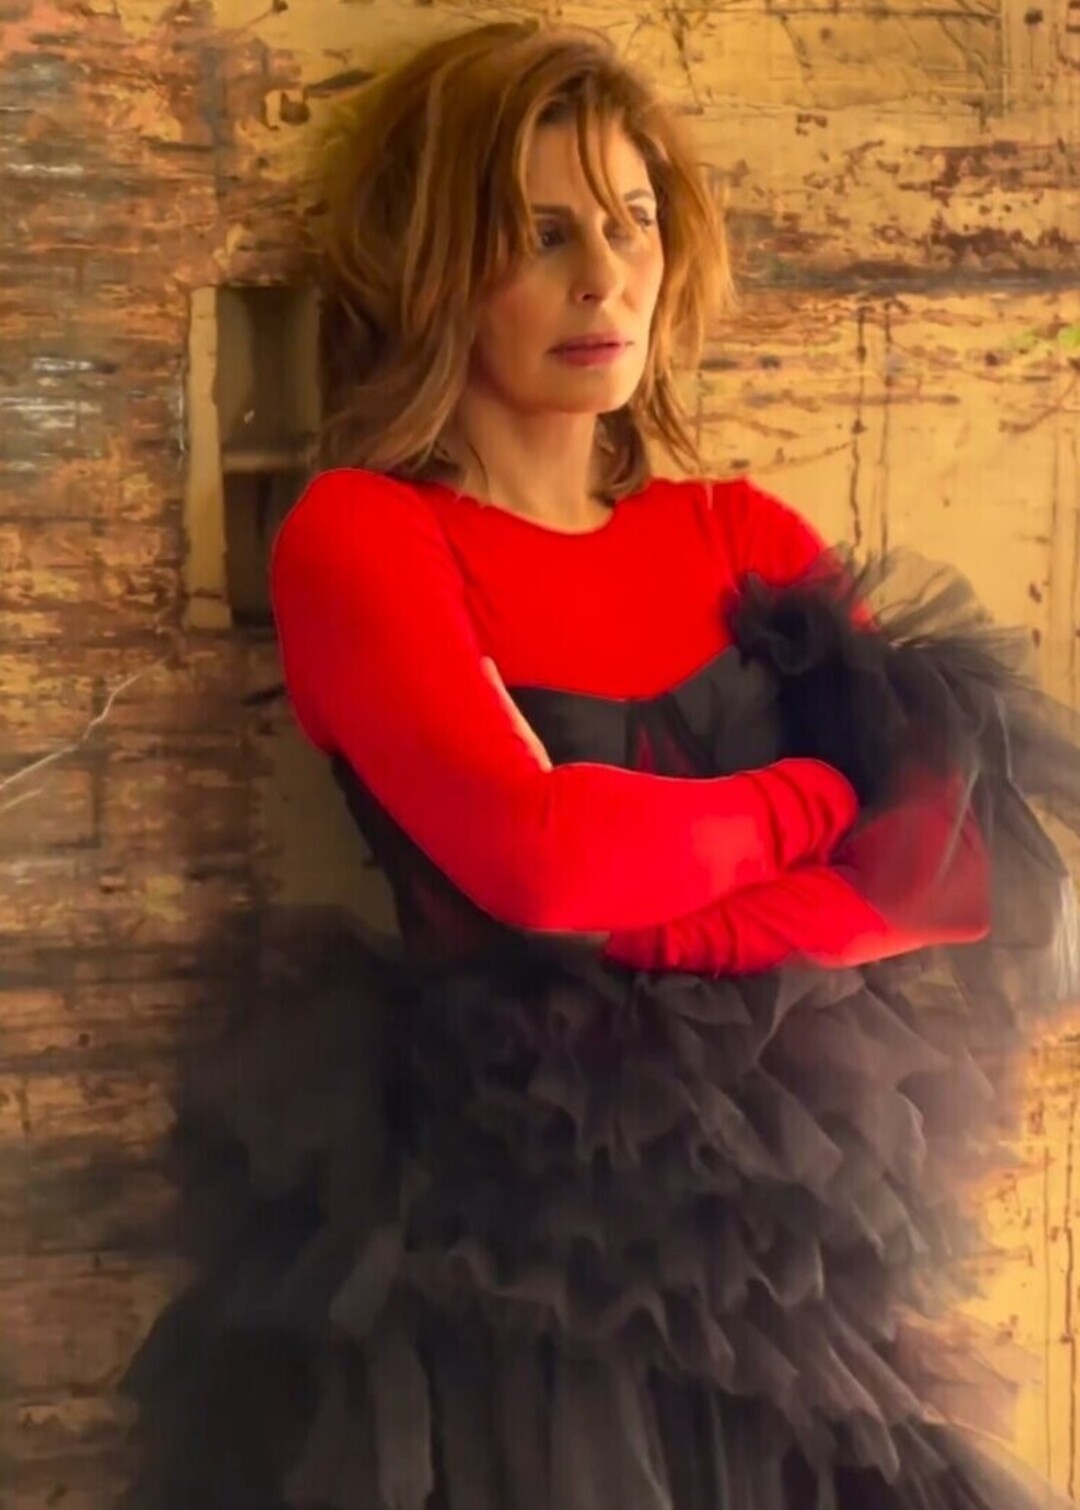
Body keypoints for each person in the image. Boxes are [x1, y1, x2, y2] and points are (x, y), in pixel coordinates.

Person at [123, 20, 1080, 1508]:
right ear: (439, 270)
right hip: (508, 1239)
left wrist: (676, 917)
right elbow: (546, 861)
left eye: (633, 222)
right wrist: (807, 803)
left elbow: (954, 864)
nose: (606, 277)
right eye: (543, 233)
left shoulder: (736, 533)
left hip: (783, 1242)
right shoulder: (365, 535)